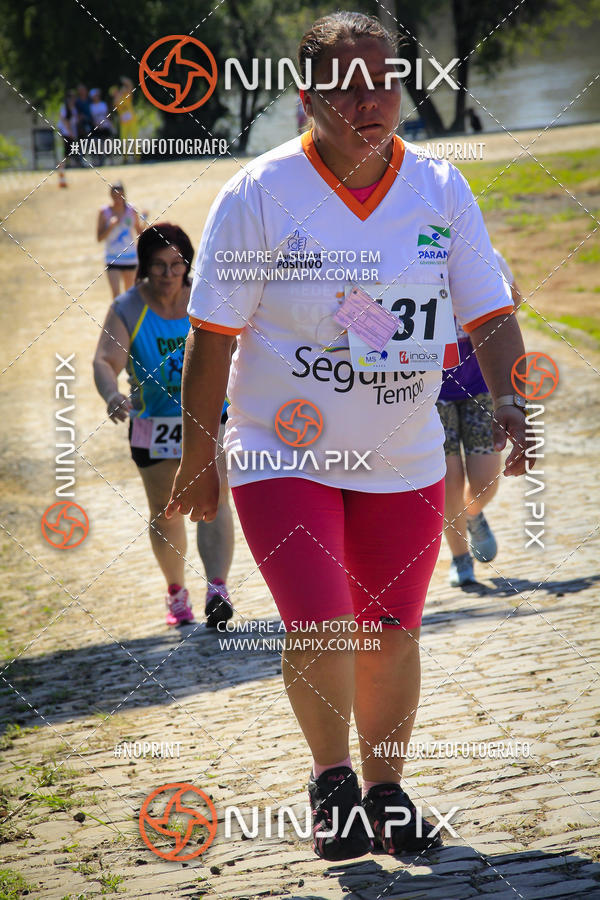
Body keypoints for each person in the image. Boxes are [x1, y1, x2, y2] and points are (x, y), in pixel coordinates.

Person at [167, 12, 530, 860]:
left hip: (402, 453)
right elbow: (212, 336)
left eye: (385, 82)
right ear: (306, 98)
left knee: (391, 630)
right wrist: (197, 457)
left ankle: (387, 791)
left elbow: (491, 313)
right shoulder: (258, 195)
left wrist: (514, 404)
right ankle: (333, 784)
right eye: (347, 86)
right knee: (323, 623)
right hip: (280, 450)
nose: (370, 101)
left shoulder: (441, 190)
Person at [93, 224, 234, 628]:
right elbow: (104, 361)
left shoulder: (205, 301)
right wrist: (110, 394)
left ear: (188, 266)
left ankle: (218, 589)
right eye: (158, 266)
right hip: (152, 424)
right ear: (144, 267)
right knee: (165, 511)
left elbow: (236, 348)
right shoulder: (128, 308)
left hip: (208, 418)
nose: (168, 275)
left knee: (216, 500)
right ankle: (176, 591)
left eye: (176, 265)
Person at [438, 249, 523, 587]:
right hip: (429, 389)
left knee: (486, 477)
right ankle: (460, 558)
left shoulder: (487, 255)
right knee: (449, 480)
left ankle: (473, 515)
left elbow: (514, 302)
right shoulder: (403, 251)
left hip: (479, 384)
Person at [97, 182, 144, 298]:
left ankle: (129, 316)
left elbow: (139, 232)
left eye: (120, 195)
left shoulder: (132, 211)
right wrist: (110, 226)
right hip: (112, 258)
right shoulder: (104, 212)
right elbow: (99, 238)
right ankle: (118, 316)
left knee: (129, 296)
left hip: (130, 258)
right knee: (116, 296)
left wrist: (145, 221)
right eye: (115, 195)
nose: (118, 199)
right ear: (110, 196)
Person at [57, 91, 79, 185]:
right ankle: (62, 169)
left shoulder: (73, 108)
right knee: (66, 153)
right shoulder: (64, 108)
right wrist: (70, 132)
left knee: (69, 152)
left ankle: (65, 168)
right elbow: (64, 120)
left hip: (71, 133)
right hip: (65, 133)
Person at [89, 88, 116, 165]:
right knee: (97, 143)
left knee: (108, 142)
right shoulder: (91, 106)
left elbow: (107, 115)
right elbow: (92, 118)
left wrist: (110, 124)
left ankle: (111, 160)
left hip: (105, 126)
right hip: (97, 128)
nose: (97, 97)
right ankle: (99, 160)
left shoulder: (103, 104)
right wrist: (96, 125)